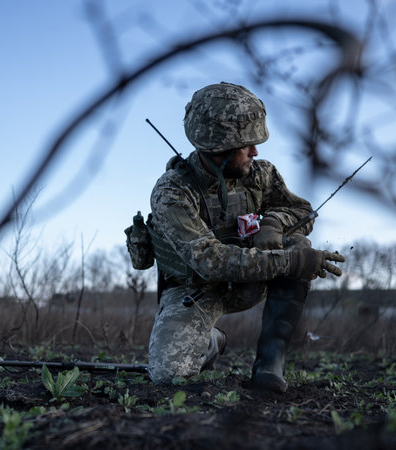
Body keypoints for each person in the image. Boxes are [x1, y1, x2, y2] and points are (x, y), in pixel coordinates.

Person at [144, 82, 345, 393]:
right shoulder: (172, 192)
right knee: (169, 375)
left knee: (297, 241)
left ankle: (269, 363)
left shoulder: (260, 174)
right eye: (247, 144)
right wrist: (291, 263)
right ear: (219, 148)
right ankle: (211, 342)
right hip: (195, 290)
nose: (256, 151)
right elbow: (210, 262)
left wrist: (274, 223)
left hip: (252, 281)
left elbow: (301, 210)